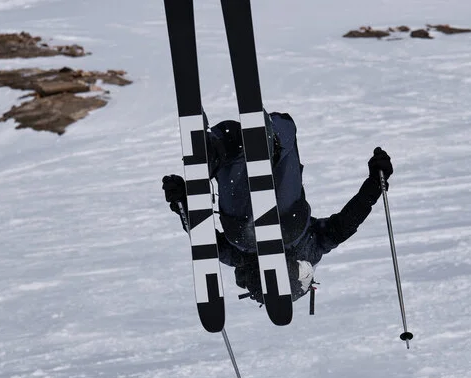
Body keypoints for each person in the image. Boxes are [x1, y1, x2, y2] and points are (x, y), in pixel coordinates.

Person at [162, 112, 393, 304]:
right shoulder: (247, 258)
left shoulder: (313, 249)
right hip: (247, 229)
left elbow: (347, 222)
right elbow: (206, 240)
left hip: (277, 223)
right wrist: (375, 183)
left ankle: (241, 147)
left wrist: (182, 202)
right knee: (240, 153)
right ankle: (226, 149)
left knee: (279, 130)